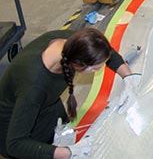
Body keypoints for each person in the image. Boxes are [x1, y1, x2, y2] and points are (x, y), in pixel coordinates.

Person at [0, 28, 141, 159]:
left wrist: (128, 77)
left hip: (47, 106)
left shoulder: (72, 43)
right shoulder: (34, 87)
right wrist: (70, 152)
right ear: (80, 65)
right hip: (15, 129)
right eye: (95, 69)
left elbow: (105, 51)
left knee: (64, 135)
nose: (98, 71)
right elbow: (15, 145)